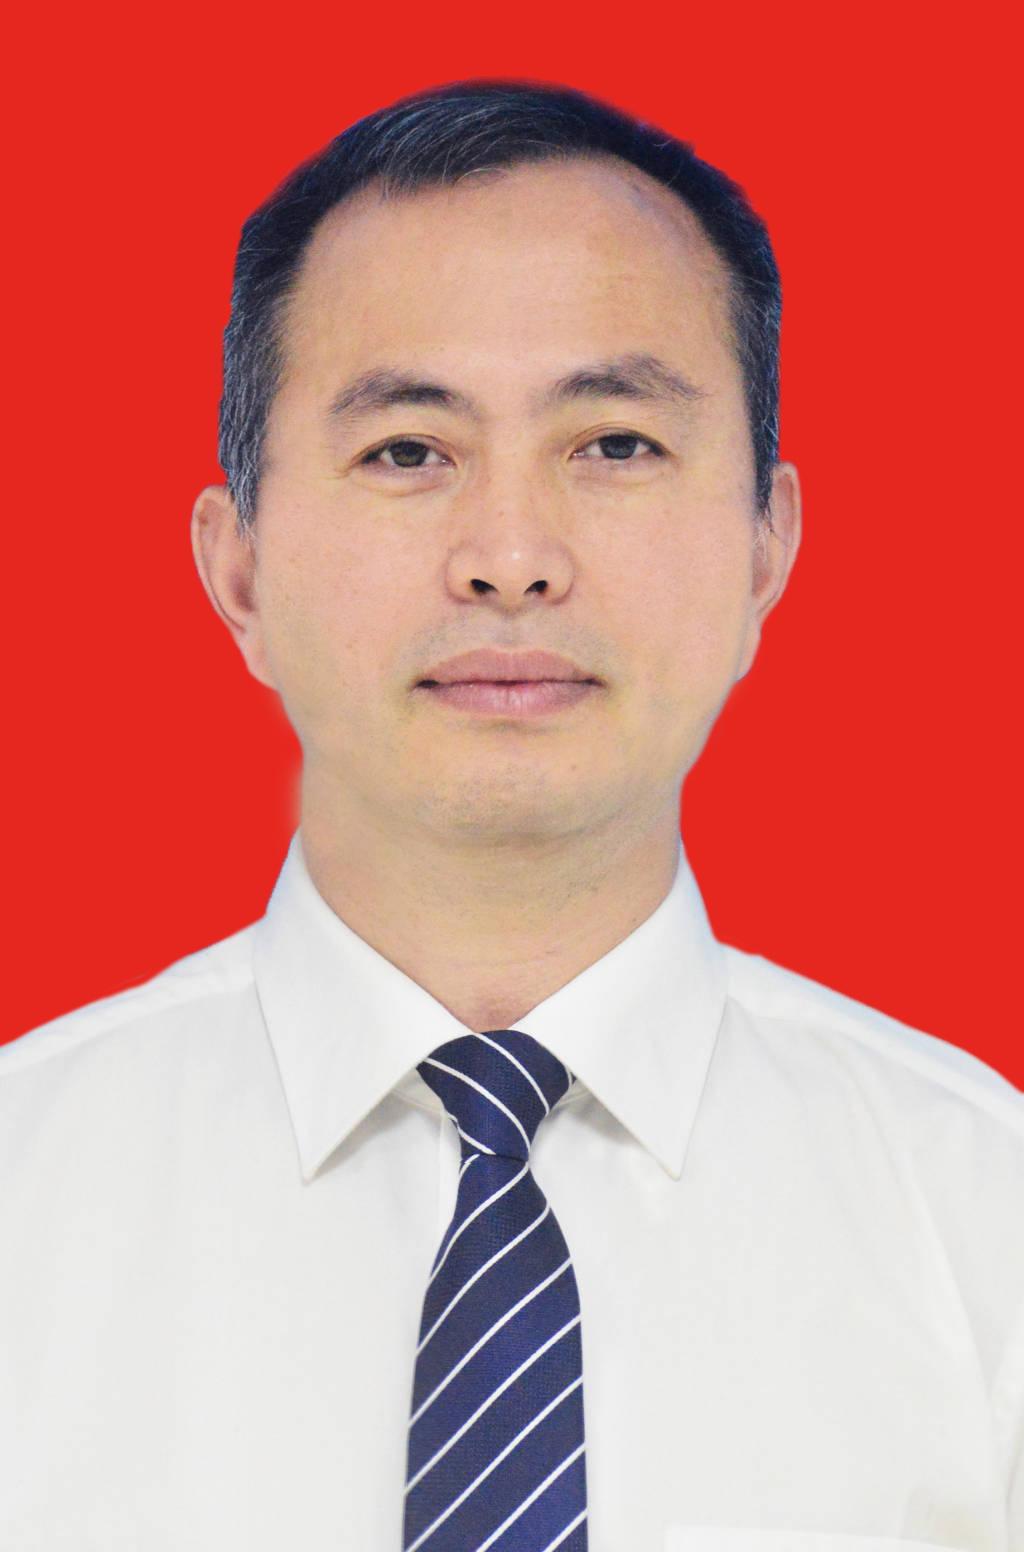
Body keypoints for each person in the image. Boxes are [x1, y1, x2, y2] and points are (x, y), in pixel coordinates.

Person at [2, 78, 1021, 1552]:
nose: (512, 557)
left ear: (767, 549)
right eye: (409, 451)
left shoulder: (983, 1219)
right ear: (239, 571)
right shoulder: (26, 1198)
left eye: (615, 444)